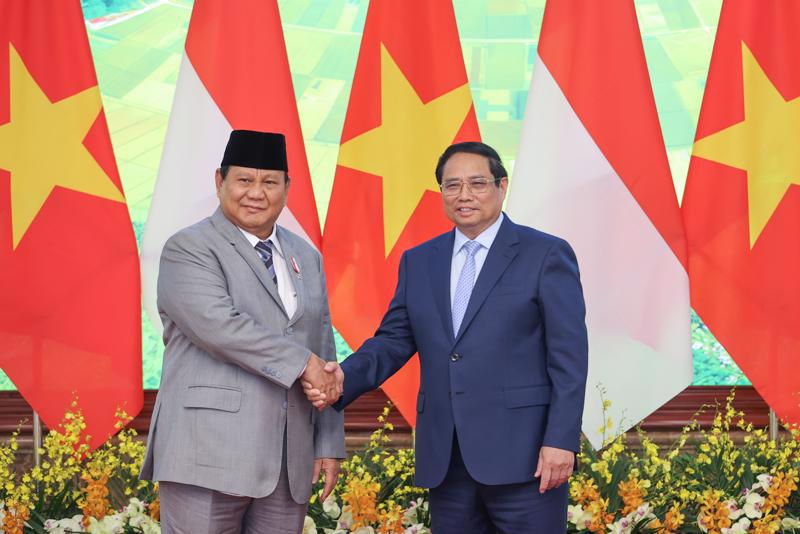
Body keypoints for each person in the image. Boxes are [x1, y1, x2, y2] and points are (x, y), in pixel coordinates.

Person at [306, 141, 588, 533]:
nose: (464, 195)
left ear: (502, 187)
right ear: (441, 193)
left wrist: (561, 441)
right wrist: (341, 379)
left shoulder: (545, 254)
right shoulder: (421, 261)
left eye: (477, 183)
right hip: (447, 461)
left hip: (527, 459)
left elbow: (569, 358)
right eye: (452, 185)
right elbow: (392, 341)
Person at [141, 130, 345, 534]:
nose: (256, 192)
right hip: (208, 453)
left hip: (288, 460)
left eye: (269, 182)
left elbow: (323, 345)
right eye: (244, 180)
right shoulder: (189, 248)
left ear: (287, 188)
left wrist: (327, 442)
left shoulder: (305, 256)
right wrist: (304, 363)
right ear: (220, 182)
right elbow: (221, 327)